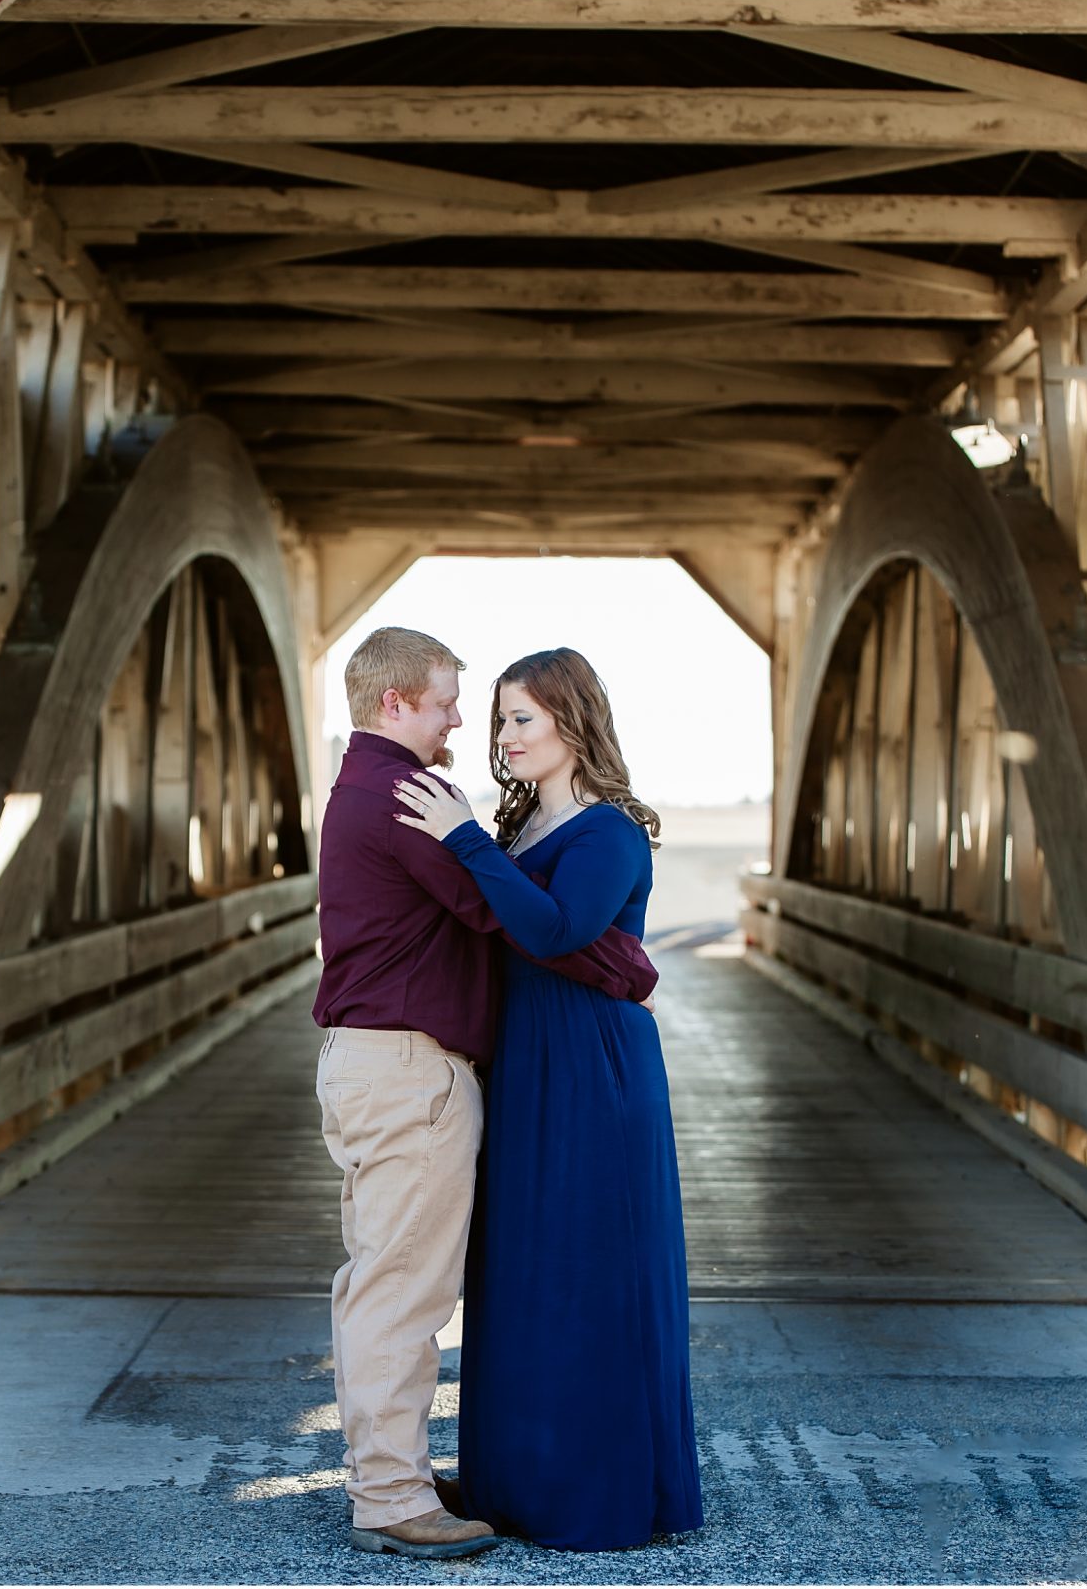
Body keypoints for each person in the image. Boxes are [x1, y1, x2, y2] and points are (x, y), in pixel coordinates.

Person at [313, 628, 660, 1561]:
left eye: (509, 714)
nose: (468, 723)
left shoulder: (374, 788)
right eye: (448, 701)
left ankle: (399, 1479)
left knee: (384, 1282)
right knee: (400, 1290)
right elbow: (507, 919)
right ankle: (389, 1497)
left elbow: (514, 911)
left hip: (389, 1064)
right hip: (407, 1070)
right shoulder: (406, 797)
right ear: (395, 705)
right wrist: (627, 964)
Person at [392, 646, 704, 1553]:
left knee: (587, 1270)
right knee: (521, 1268)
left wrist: (462, 840)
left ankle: (589, 1495)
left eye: (522, 718)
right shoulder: (520, 829)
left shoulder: (607, 831)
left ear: (572, 721)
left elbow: (555, 929)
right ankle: (513, 1481)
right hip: (527, 1062)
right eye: (498, 720)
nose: (504, 736)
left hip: (593, 1070)